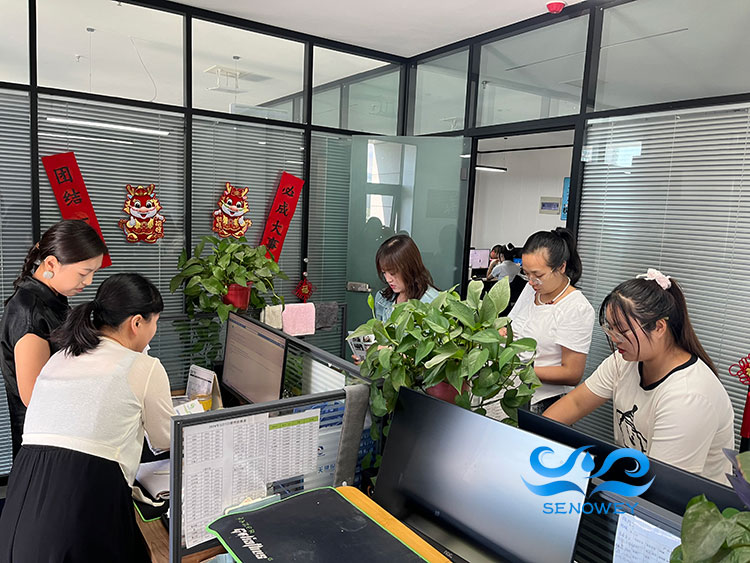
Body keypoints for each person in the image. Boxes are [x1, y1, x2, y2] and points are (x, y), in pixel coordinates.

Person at [0, 273, 174, 562]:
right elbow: (166, 438)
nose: (154, 331)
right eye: (155, 322)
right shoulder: (144, 366)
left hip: (23, 499)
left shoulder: (62, 356)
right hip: (82, 502)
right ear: (136, 323)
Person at [544, 270, 734, 483]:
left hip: (681, 499)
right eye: (609, 328)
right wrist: (534, 439)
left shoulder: (688, 396)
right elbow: (576, 403)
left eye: (622, 331)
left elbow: (661, 483)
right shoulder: (624, 361)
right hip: (638, 485)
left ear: (659, 327)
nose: (614, 338)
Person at [0, 219, 108, 457]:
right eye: (84, 273)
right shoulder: (29, 313)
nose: (89, 281)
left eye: (94, 272)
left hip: (62, 435)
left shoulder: (53, 299)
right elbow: (34, 397)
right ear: (51, 263)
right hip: (45, 446)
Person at [508, 227, 595, 414]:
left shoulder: (576, 307)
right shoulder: (531, 289)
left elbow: (572, 373)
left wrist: (516, 369)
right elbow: (510, 327)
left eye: (538, 275)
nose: (531, 281)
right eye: (526, 273)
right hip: (512, 391)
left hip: (542, 402)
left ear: (561, 267)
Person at [373, 234, 439, 322]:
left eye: (393, 273)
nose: (388, 279)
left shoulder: (432, 302)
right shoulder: (382, 299)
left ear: (410, 268)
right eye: (384, 272)